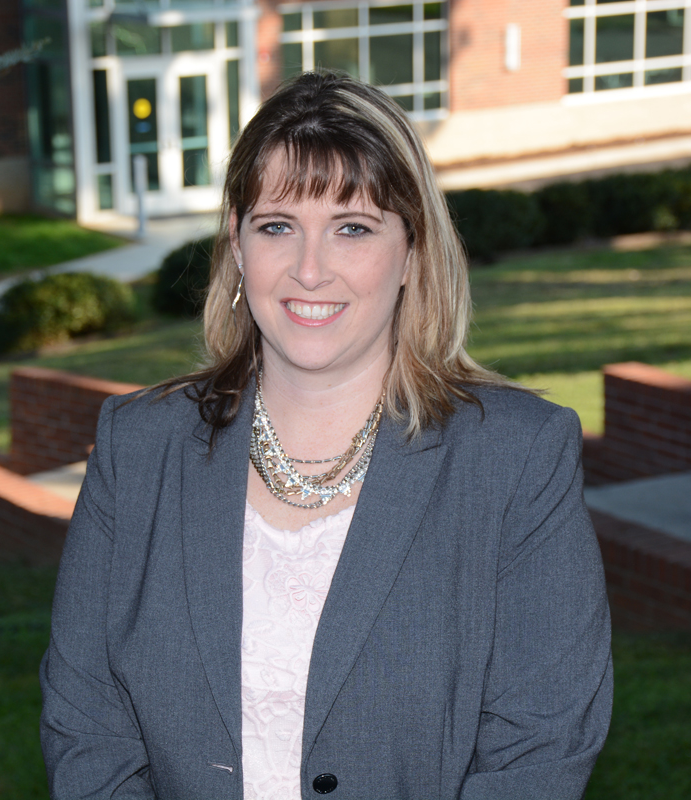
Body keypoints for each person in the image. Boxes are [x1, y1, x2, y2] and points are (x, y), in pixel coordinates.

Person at [40, 71, 612, 800]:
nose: (310, 270)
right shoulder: (136, 447)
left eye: (353, 228)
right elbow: (86, 727)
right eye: (277, 226)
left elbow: (541, 746)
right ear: (239, 248)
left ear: (412, 253)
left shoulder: (517, 458)